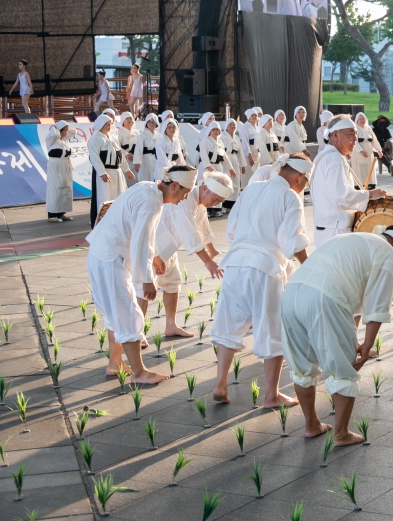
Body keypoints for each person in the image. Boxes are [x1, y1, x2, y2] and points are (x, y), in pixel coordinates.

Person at [281, 226, 393, 445]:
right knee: (343, 369)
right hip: (325, 298)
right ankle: (341, 433)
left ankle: (312, 425)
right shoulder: (388, 253)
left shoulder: (353, 238)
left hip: (291, 294)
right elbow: (376, 307)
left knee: (302, 366)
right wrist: (366, 347)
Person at [211, 153, 314, 408]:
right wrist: (310, 268)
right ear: (300, 177)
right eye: (306, 182)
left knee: (229, 324)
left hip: (235, 264)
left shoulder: (251, 189)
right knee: (271, 330)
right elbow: (291, 240)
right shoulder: (289, 196)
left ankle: (220, 384)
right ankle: (271, 395)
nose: (304, 187)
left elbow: (232, 229)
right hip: (264, 268)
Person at [85, 166, 196, 383]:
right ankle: (139, 373)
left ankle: (115, 363)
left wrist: (154, 257)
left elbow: (143, 236)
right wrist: (146, 280)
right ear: (174, 186)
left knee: (116, 314)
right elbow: (140, 241)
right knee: (128, 313)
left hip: (104, 255)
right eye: (185, 193)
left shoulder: (148, 188)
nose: (185, 198)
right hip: (109, 259)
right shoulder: (150, 201)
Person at [136, 172, 231, 337]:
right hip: (154, 248)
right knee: (143, 289)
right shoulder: (186, 200)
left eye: (219, 202)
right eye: (215, 199)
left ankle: (171, 326)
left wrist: (211, 249)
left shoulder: (199, 200)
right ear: (205, 188)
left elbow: (202, 225)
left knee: (172, 284)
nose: (215, 204)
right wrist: (208, 262)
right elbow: (190, 234)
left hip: (170, 248)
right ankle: (136, 333)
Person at [309, 115, 386, 246]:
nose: (355, 139)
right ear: (335, 135)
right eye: (351, 134)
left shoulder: (324, 155)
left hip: (328, 228)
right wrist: (370, 194)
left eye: (356, 133)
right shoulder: (334, 158)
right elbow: (342, 196)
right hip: (335, 230)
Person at [88, 114, 135, 227]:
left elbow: (120, 155)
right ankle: (103, 224)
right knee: (105, 197)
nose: (108, 126)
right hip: (107, 172)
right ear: (100, 124)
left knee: (118, 197)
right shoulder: (95, 139)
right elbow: (95, 158)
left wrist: (127, 170)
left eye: (110, 124)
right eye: (106, 124)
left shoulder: (112, 138)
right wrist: (102, 173)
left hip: (117, 172)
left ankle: (118, 222)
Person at [45, 120, 74, 222]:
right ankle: (52, 215)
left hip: (65, 164)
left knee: (65, 188)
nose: (66, 132)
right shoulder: (51, 139)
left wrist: (66, 126)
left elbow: (74, 132)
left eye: (66, 130)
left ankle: (61, 213)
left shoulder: (64, 139)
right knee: (55, 188)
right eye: (64, 130)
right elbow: (54, 134)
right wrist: (54, 127)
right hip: (55, 166)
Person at [350, 112, 382, 189]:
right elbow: (354, 141)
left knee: (369, 168)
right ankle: (359, 185)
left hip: (369, 152)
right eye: (359, 119)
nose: (361, 120)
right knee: (359, 169)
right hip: (358, 154)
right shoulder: (355, 129)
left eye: (363, 118)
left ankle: (370, 184)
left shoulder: (369, 129)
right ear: (357, 121)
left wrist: (378, 150)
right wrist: (361, 151)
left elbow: (374, 140)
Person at [219, 120, 242, 211]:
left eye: (234, 125)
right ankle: (224, 204)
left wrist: (242, 165)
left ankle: (232, 204)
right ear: (226, 126)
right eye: (230, 125)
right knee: (225, 182)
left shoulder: (236, 137)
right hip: (225, 161)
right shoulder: (222, 137)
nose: (232, 126)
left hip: (235, 160)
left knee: (235, 182)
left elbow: (240, 152)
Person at [133, 113, 160, 182]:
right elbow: (138, 149)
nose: (151, 124)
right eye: (149, 122)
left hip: (156, 161)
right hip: (145, 160)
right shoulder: (142, 135)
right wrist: (137, 162)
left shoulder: (159, 136)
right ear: (146, 123)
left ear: (156, 123)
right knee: (145, 178)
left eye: (153, 122)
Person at [238, 108, 261, 185]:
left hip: (257, 153)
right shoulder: (245, 128)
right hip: (249, 153)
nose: (254, 117)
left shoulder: (257, 128)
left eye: (255, 115)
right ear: (248, 117)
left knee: (256, 174)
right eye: (252, 115)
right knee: (249, 174)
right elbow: (245, 142)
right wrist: (249, 155)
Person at [117, 113, 139, 182]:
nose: (129, 120)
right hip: (124, 161)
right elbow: (117, 146)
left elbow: (140, 146)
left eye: (130, 118)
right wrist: (126, 154)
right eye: (127, 118)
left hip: (135, 161)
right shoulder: (118, 133)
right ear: (123, 120)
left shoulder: (137, 132)